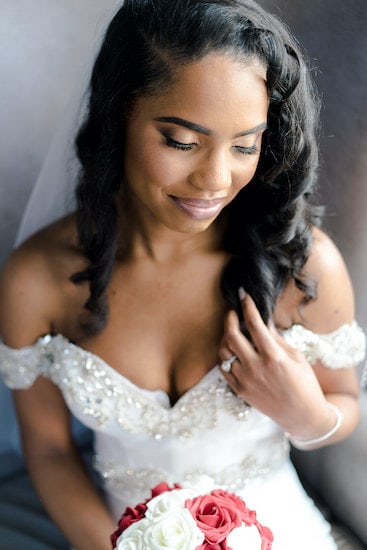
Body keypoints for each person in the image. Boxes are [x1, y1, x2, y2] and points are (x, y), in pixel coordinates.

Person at [0, 0, 365, 548]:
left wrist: (307, 414)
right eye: (182, 142)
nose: (215, 180)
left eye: (245, 146)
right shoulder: (37, 280)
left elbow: (345, 405)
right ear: (119, 113)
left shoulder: (304, 267)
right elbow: (50, 451)